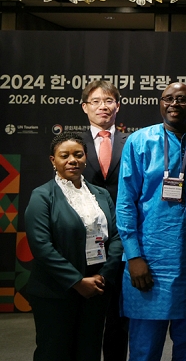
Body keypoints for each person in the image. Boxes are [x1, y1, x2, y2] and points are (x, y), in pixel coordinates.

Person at [116, 83, 186, 361]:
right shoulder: (140, 141)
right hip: (149, 260)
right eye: (168, 98)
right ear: (160, 103)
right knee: (144, 349)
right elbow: (125, 203)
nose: (174, 104)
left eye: (182, 99)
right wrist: (133, 256)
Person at [24, 133, 123, 361]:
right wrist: (77, 281)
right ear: (53, 160)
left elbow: (117, 237)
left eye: (78, 155)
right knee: (54, 352)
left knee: (88, 352)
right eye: (64, 155)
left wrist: (103, 276)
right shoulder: (42, 196)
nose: (72, 160)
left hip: (96, 290)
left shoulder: (102, 194)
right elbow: (41, 246)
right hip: (56, 292)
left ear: (86, 158)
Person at [79, 80, 129, 361]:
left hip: (122, 238)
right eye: (96, 101)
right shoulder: (72, 145)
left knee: (118, 318)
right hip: (82, 239)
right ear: (85, 107)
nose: (103, 106)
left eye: (108, 101)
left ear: (117, 106)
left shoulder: (131, 142)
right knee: (85, 319)